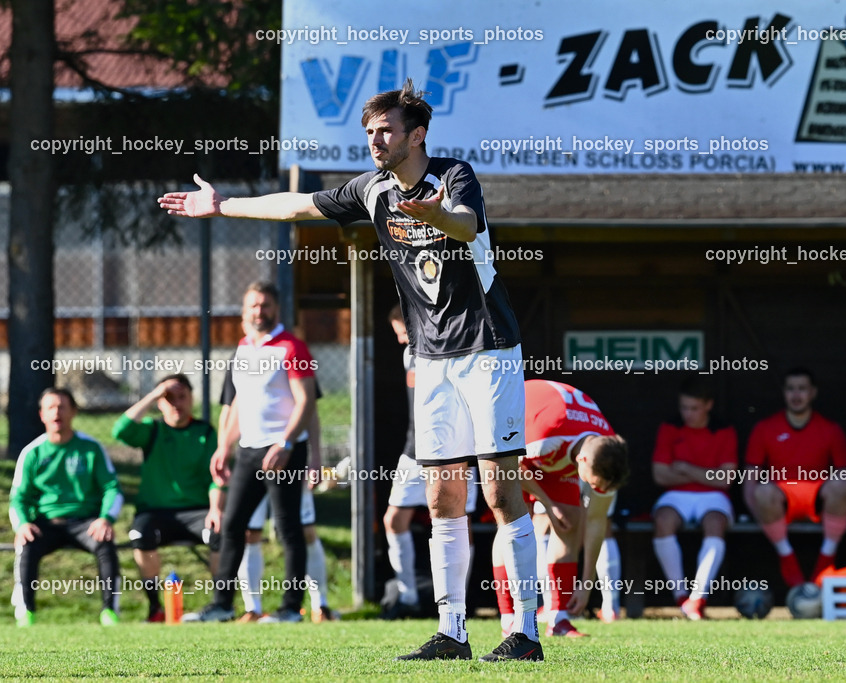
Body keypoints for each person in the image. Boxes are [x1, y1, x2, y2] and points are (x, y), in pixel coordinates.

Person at [159, 79, 541, 662]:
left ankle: (525, 636)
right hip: (432, 359)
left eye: (385, 130)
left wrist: (439, 215)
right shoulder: (372, 190)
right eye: (368, 132)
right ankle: (452, 633)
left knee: (498, 490)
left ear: (416, 135)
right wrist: (222, 205)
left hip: (487, 347)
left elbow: (466, 224)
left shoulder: (455, 175)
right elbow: (296, 206)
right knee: (441, 497)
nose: (374, 140)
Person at [182, 281, 316, 623]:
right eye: (253, 306)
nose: (260, 311)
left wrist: (285, 443)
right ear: (245, 312)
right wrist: (223, 446)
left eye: (265, 305)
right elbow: (240, 402)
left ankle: (290, 609)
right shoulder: (243, 349)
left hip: (284, 452)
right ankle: (223, 605)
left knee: (287, 529)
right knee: (232, 525)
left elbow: (305, 402)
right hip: (248, 451)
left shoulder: (292, 346)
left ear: (276, 309)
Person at [492, 379, 630, 638]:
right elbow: (512, 467)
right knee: (512, 521)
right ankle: (508, 617)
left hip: (556, 447)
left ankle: (559, 618)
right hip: (515, 436)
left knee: (571, 519)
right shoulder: (546, 437)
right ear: (583, 460)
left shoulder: (607, 451)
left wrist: (586, 584)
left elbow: (596, 521)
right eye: (590, 481)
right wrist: (548, 502)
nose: (590, 487)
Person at [381, 304, 479, 620]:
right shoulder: (409, 353)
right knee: (393, 520)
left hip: (456, 452)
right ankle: (407, 597)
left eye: (403, 332)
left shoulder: (452, 348)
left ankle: (457, 602)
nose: (400, 341)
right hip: (414, 452)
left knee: (460, 524)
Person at [219, 365, 333, 623]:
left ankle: (319, 605)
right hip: (251, 460)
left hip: (289, 458)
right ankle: (252, 608)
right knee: (248, 531)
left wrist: (315, 456)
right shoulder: (241, 357)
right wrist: (222, 449)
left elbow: (309, 409)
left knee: (303, 529)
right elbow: (230, 410)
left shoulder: (292, 355)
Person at [111, 374, 223, 622]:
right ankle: (155, 608)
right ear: (160, 403)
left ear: (191, 399)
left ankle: (220, 605)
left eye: (182, 397)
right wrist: (152, 395)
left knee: (220, 533)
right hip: (156, 512)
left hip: (197, 512)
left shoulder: (204, 432)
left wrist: (216, 509)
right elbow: (120, 430)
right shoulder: (152, 430)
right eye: (169, 398)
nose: (176, 404)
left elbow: (216, 478)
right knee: (140, 535)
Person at [9, 388, 124, 627]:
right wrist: (22, 524)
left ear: (74, 411)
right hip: (46, 524)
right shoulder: (32, 453)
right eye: (50, 407)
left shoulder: (91, 448)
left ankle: (109, 612)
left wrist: (105, 519)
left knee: (105, 543)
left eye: (62, 406)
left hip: (85, 523)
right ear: (42, 415)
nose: (56, 412)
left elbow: (112, 488)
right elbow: (18, 497)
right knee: (26, 544)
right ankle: (25, 612)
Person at [743, 368, 846, 587]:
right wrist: (759, 515)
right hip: (781, 498)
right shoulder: (765, 428)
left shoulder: (830, 429)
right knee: (762, 490)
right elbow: (749, 479)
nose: (796, 395)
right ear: (784, 393)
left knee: (843, 484)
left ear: (813, 393)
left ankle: (826, 559)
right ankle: (786, 557)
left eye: (802, 389)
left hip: (817, 498)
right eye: (791, 389)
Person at [650, 378, 737, 620]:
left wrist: (686, 468)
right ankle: (681, 597)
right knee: (663, 519)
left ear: (708, 405)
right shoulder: (670, 427)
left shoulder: (724, 429)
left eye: (694, 408)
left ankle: (698, 598)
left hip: (714, 497)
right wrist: (707, 474)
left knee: (715, 523)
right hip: (676, 495)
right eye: (684, 407)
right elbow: (660, 475)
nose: (688, 414)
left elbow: (726, 479)